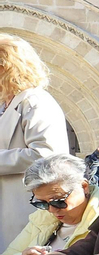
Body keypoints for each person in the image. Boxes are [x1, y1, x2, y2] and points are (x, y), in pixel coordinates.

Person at [0, 35, 71, 243]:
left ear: (6, 66)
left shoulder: (35, 101)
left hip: (23, 207)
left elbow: (46, 155)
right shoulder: (6, 104)